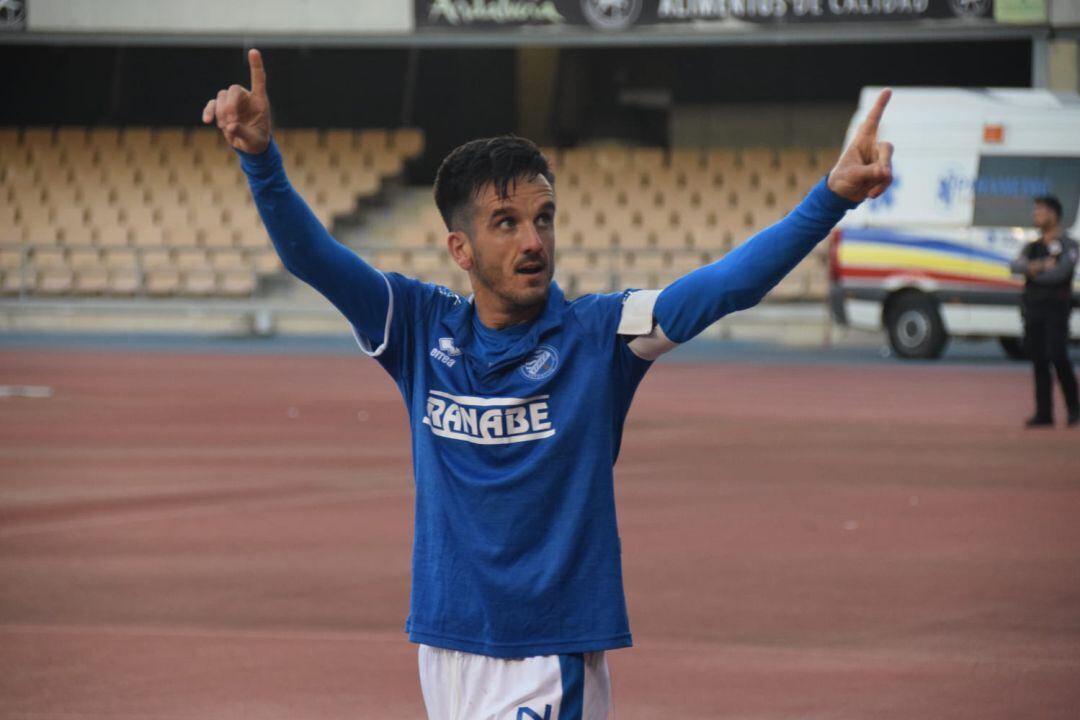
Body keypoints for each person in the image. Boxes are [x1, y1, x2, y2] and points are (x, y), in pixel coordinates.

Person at [201, 49, 894, 718]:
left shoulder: (600, 336)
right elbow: (311, 257)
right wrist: (261, 160)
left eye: (543, 219)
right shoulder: (415, 326)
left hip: (547, 651)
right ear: (461, 249)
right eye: (506, 223)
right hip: (447, 642)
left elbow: (725, 287)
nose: (534, 241)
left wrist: (829, 198)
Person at [1009, 195, 1079, 428]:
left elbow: (1060, 273)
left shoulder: (1068, 245)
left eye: (1040, 210)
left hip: (1056, 309)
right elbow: (1014, 266)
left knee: (1057, 355)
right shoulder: (1033, 246)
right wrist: (1038, 266)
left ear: (1053, 214)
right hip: (1034, 309)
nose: (1035, 215)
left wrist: (1033, 273)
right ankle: (1044, 412)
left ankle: (1074, 408)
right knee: (1038, 358)